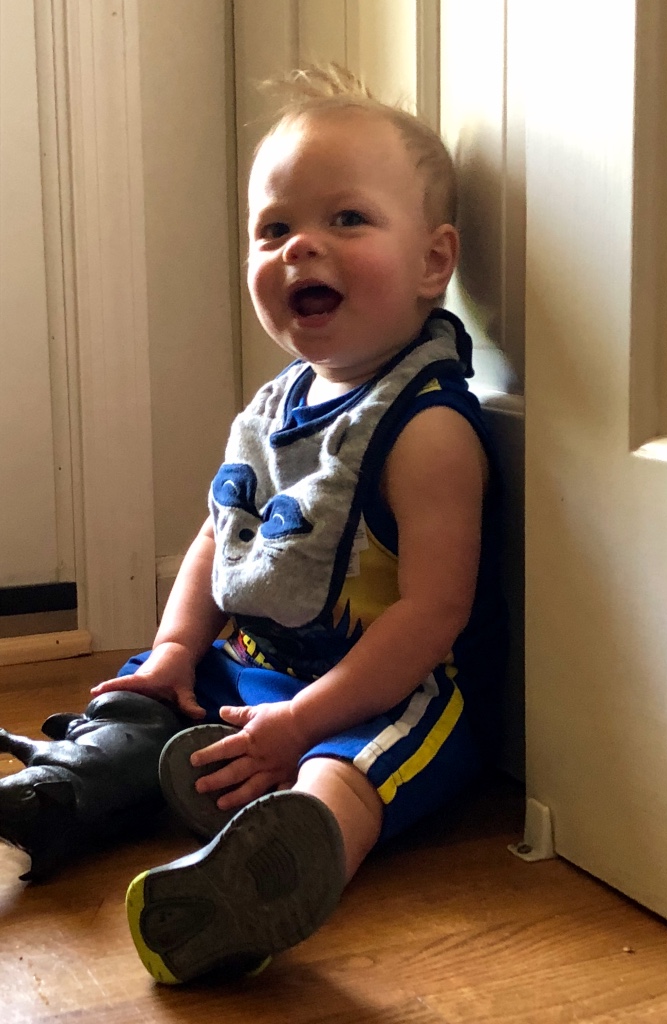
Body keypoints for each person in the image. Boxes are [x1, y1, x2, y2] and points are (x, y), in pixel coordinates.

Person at [4, 65, 507, 984]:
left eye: (346, 219)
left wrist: (303, 722)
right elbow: (219, 536)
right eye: (273, 229)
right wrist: (171, 652)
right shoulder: (276, 406)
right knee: (151, 694)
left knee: (351, 771)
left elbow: (433, 613)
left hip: (386, 691)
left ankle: (273, 868)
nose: (300, 247)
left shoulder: (426, 429)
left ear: (434, 262)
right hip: (255, 667)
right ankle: (65, 793)